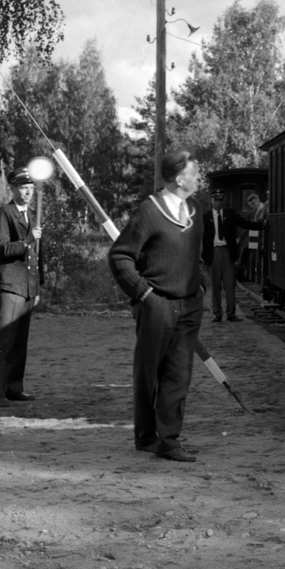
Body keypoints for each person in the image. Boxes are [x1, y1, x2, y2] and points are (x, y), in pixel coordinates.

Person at [108, 150, 206, 462]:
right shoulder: (149, 212)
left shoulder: (196, 209)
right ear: (179, 179)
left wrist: (200, 285)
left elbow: (194, 253)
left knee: (179, 374)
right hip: (156, 305)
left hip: (189, 306)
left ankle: (169, 441)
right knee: (149, 373)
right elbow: (120, 255)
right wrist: (144, 293)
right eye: (194, 172)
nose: (199, 177)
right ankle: (146, 436)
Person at [0, 167, 43, 407]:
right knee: (4, 340)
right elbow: (2, 249)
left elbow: (39, 254)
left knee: (19, 342)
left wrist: (38, 286)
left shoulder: (33, 215)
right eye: (23, 188)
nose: (28, 192)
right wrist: (28, 240)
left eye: (30, 188)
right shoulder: (3, 214)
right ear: (12, 188)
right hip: (9, 284)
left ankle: (13, 388)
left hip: (27, 286)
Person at [202, 189, 264, 322]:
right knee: (215, 285)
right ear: (212, 201)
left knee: (230, 284)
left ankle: (231, 313)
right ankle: (217, 313)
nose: (219, 203)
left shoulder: (230, 214)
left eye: (221, 200)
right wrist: (203, 256)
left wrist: (261, 225)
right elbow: (200, 235)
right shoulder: (205, 217)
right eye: (216, 200)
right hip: (213, 252)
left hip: (228, 252)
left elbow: (244, 223)